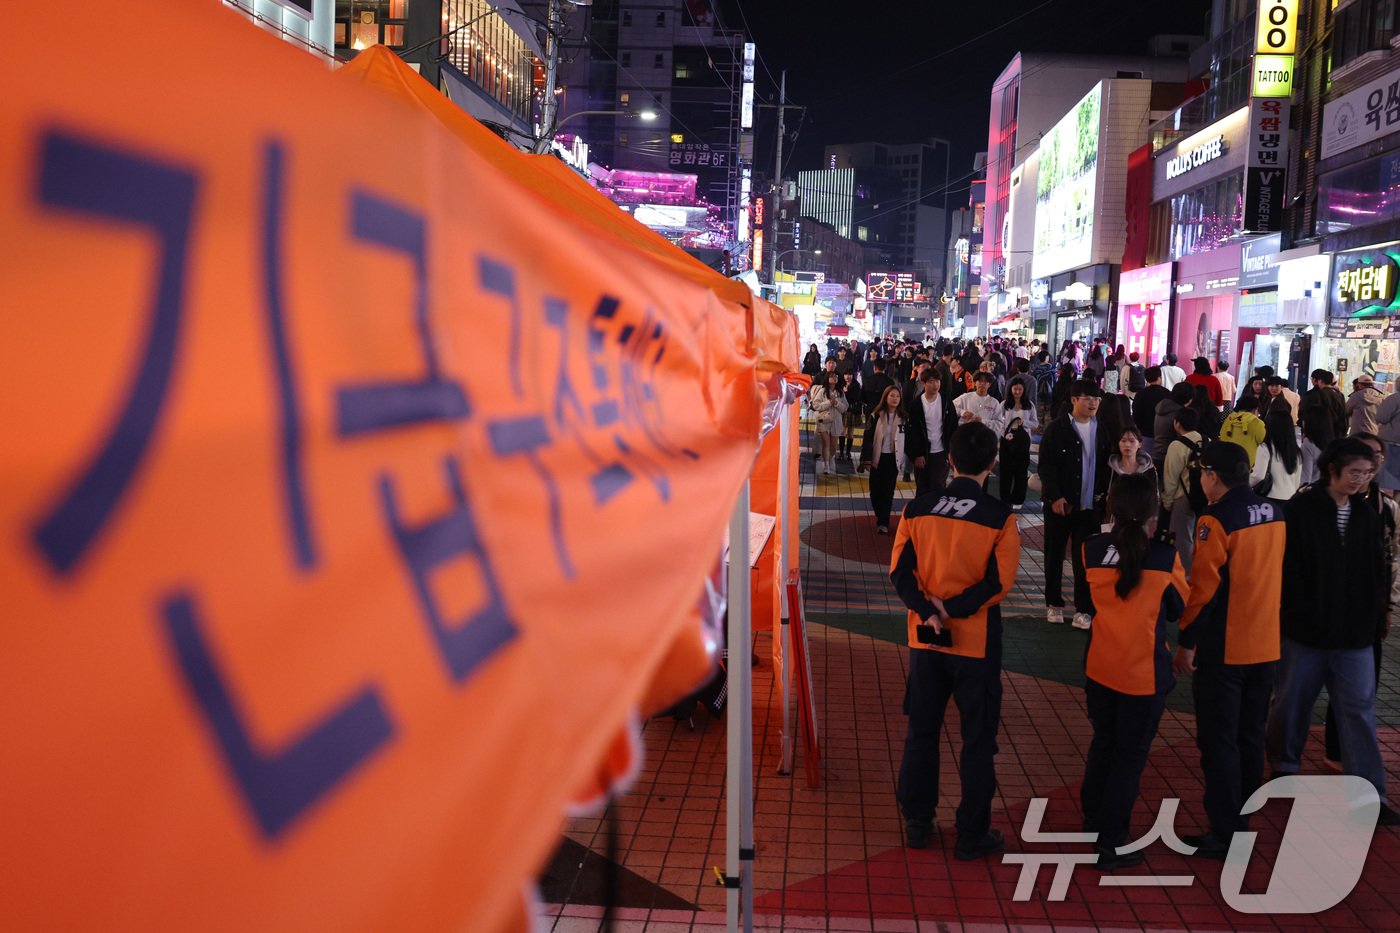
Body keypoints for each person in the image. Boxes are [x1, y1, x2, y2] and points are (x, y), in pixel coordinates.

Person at [892, 423, 1020, 859]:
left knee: (922, 732)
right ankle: (971, 833)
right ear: (993, 462)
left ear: (949, 459)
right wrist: (954, 608)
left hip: (925, 640)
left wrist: (930, 610)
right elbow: (999, 583)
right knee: (978, 740)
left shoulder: (917, 509)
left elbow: (899, 572)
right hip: (976, 645)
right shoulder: (1000, 517)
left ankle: (917, 820)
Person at [1267, 438, 1400, 825]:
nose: (1362, 479)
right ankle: (1283, 766)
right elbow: (1287, 566)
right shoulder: (1302, 510)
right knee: (1292, 703)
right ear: (1333, 469)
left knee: (1359, 710)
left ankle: (1369, 797)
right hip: (1306, 630)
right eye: (1356, 472)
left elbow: (1378, 566)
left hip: (1355, 633)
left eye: (1367, 472)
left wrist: (1380, 611)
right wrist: (1295, 610)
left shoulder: (1366, 514)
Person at [1173, 443, 1285, 858]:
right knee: (1251, 736)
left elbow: (1205, 590)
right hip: (1267, 644)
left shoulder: (1216, 519)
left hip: (1225, 649)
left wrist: (1187, 642)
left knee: (1219, 741)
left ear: (1213, 477)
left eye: (1203, 473)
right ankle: (1243, 821)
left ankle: (1225, 830)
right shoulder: (1276, 512)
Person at [1079, 474, 1187, 870]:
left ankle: (1092, 817)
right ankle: (1111, 842)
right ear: (1152, 513)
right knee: (1129, 757)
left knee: (1104, 743)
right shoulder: (1163, 557)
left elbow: (1087, 599)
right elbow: (1177, 609)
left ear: (1112, 508)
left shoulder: (1090, 549)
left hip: (1101, 668)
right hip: (1143, 675)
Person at [1323, 432, 1400, 771]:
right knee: (1294, 697)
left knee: (1357, 694)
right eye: (1360, 463)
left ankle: (1351, 765)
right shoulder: (1311, 501)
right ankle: (1285, 763)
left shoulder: (1385, 509)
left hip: (1364, 615)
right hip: (1315, 614)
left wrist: (1388, 607)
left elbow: (1392, 559)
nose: (1366, 470)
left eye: (1374, 462)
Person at [1037, 380, 1111, 629]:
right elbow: (1046, 467)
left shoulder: (1103, 430)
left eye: (1096, 398)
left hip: (1090, 507)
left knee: (1085, 560)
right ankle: (1054, 604)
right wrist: (1055, 496)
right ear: (1074, 400)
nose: (1093, 403)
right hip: (1061, 505)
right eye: (1087, 398)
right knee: (1054, 555)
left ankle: (1084, 609)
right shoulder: (1057, 429)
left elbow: (1105, 469)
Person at [858, 385, 907, 534]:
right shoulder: (876, 415)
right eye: (892, 395)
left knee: (888, 491)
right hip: (877, 458)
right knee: (875, 491)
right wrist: (865, 459)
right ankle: (881, 515)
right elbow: (867, 438)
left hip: (893, 458)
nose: (895, 398)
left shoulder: (904, 417)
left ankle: (883, 521)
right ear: (886, 397)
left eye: (897, 396)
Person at [1162, 409, 1205, 573]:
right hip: (1204, 497)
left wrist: (1167, 501)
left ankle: (1185, 578)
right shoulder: (1206, 440)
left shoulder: (1177, 445)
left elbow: (1170, 476)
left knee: (1183, 540)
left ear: (1177, 424)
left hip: (1183, 498)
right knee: (1200, 539)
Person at [904, 368, 957, 497]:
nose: (936, 385)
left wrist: (952, 451)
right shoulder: (916, 404)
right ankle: (922, 516)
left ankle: (935, 516)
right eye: (932, 382)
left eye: (938, 381)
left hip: (941, 453)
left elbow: (953, 426)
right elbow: (912, 432)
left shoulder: (946, 402)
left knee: (938, 488)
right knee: (922, 489)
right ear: (923, 383)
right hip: (923, 454)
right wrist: (917, 454)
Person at [1299, 369, 1348, 483]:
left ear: (1319, 381)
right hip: (1335, 438)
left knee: (1310, 471)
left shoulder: (1315, 395)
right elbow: (1344, 418)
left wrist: (1306, 432)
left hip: (1317, 436)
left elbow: (1305, 416)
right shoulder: (1339, 396)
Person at [1249, 410, 1304, 505]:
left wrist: (1244, 484)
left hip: (1268, 498)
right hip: (1289, 499)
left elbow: (1258, 476)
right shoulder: (1297, 452)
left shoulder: (1266, 448)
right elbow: (1298, 480)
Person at [808, 371, 847, 478]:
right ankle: (826, 465)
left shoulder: (840, 392)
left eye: (836, 376)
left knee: (833, 446)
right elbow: (816, 405)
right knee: (826, 443)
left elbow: (845, 408)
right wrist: (828, 403)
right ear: (827, 379)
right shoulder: (822, 391)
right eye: (832, 377)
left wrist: (837, 403)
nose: (834, 378)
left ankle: (831, 458)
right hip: (824, 421)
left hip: (836, 422)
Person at [1107, 425, 1156, 503]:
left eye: (1132, 441)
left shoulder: (1149, 470)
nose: (1127, 445)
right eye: (1123, 441)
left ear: (1140, 444)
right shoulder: (1109, 470)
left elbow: (1155, 498)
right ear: (1118, 443)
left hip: (1142, 514)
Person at [1152, 383, 1193, 475]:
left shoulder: (1162, 407)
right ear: (1189, 399)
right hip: (1169, 455)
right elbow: (1182, 438)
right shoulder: (1179, 414)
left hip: (1156, 452)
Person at [1132, 367, 1171, 461]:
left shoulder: (1141, 394)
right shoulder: (1167, 394)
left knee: (1144, 462)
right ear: (1159, 377)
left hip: (1145, 433)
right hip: (1164, 435)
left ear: (1146, 379)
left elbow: (1136, 414)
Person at [1219, 395, 1267, 467]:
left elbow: (1222, 435)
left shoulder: (1229, 419)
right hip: (1245, 464)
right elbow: (1262, 440)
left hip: (1225, 460)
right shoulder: (1257, 422)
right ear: (1255, 409)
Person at [998, 415, 1032, 510]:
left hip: (1022, 440)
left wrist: (1024, 423)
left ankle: (1018, 499)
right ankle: (1005, 499)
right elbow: (999, 420)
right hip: (1006, 438)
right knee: (1005, 472)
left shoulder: (1029, 406)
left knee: (1021, 473)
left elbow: (1035, 423)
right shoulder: (1004, 405)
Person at [1380, 384, 1400, 493]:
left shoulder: (1393, 399)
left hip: (1391, 441)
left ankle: (1391, 502)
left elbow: (1381, 417)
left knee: (1389, 474)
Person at [840, 369, 862, 461]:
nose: (847, 376)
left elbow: (856, 398)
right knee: (842, 432)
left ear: (853, 375)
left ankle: (848, 452)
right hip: (843, 410)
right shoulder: (841, 384)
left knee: (850, 433)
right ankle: (841, 452)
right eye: (846, 374)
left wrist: (846, 392)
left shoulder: (856, 385)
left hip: (852, 411)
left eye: (850, 374)